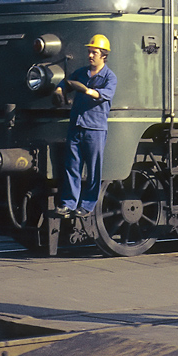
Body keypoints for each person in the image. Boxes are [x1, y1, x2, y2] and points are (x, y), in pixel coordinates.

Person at [58, 34, 117, 219]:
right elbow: (66, 82)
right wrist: (60, 89)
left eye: (94, 53)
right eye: (89, 52)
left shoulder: (110, 77)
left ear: (104, 55)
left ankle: (87, 205)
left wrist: (85, 89)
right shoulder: (81, 73)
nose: (90, 56)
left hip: (95, 129)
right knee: (72, 167)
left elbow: (103, 95)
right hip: (77, 125)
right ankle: (68, 204)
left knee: (93, 169)